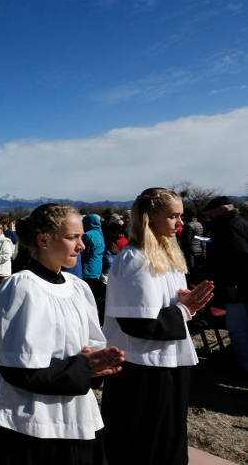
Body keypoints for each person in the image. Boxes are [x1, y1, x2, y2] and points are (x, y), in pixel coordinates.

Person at [0, 203, 124, 465]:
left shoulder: (78, 288)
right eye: (72, 238)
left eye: (81, 237)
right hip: (31, 424)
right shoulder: (21, 288)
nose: (81, 246)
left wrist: (97, 365)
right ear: (43, 239)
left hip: (77, 414)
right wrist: (83, 368)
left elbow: (91, 346)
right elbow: (16, 368)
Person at [102, 188, 214, 465]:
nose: (180, 223)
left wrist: (183, 301)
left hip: (169, 361)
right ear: (151, 216)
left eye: (181, 216)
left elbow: (160, 304)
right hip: (142, 368)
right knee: (143, 442)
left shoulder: (166, 254)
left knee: (168, 438)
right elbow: (137, 322)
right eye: (173, 216)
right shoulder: (135, 259)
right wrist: (184, 309)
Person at [204, 196, 248, 370]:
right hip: (241, 285)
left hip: (237, 287)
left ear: (223, 210)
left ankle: (244, 363)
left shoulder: (229, 227)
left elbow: (237, 257)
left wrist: (231, 284)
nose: (210, 216)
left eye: (212, 213)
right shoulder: (239, 223)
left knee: (239, 327)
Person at [81, 214, 106, 317]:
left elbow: (82, 251)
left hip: (88, 267)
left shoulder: (87, 235)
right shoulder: (100, 234)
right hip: (97, 266)